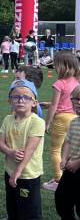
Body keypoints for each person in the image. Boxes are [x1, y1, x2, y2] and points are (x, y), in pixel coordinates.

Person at [0, 80, 44, 220]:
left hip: (27, 175)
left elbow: (30, 150)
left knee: (29, 212)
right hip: (10, 173)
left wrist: (18, 172)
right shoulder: (8, 120)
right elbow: (0, 143)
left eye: (26, 97)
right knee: (13, 209)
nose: (21, 100)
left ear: (34, 102)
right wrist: (10, 152)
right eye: (16, 97)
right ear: (10, 101)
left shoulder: (37, 122)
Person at [48, 84, 80, 220]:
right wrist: (64, 158)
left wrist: (77, 162)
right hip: (70, 167)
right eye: (75, 99)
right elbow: (67, 141)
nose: (78, 103)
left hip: (77, 165)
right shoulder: (74, 122)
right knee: (62, 196)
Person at [43, 51, 80, 192]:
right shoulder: (77, 81)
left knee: (56, 150)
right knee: (68, 149)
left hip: (61, 119)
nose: (54, 67)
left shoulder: (59, 83)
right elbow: (67, 102)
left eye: (56, 64)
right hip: (74, 118)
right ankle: (66, 176)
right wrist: (48, 104)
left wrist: (47, 122)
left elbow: (55, 105)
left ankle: (58, 179)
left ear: (63, 66)